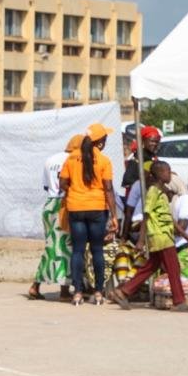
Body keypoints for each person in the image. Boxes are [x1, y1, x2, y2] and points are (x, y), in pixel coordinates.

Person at [105, 161, 188, 312]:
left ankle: (123, 291)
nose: (169, 174)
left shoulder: (161, 192)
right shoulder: (152, 192)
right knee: (173, 267)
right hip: (160, 236)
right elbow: (146, 216)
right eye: (166, 171)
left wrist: (185, 235)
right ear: (158, 174)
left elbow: (168, 217)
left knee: (151, 266)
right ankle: (179, 301)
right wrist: (140, 240)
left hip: (165, 234)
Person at [60, 123, 121, 303]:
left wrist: (75, 191)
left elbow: (63, 183)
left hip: (76, 208)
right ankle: (98, 292)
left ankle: (77, 292)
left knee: (77, 251)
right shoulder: (104, 161)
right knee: (97, 251)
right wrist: (114, 215)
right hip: (97, 209)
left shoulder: (71, 158)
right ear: (100, 142)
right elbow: (108, 188)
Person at [28, 138, 72, 301]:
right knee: (66, 247)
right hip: (64, 205)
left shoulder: (51, 160)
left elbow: (46, 186)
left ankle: (35, 285)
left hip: (49, 204)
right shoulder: (74, 160)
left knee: (51, 247)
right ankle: (64, 290)